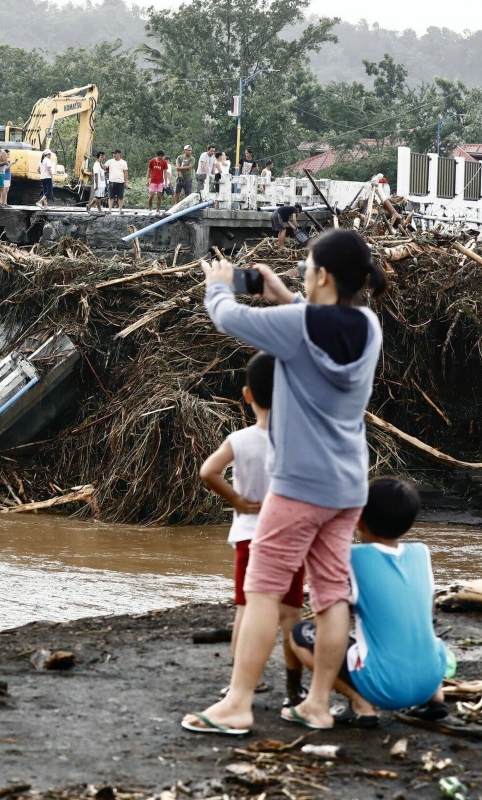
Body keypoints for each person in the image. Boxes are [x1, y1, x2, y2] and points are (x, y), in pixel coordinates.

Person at [183, 229, 387, 736]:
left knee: (262, 592)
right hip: (347, 487)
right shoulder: (369, 324)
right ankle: (318, 704)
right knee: (331, 593)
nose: (301, 274)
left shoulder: (297, 326)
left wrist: (218, 283)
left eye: (305, 268)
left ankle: (237, 704)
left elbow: (228, 317)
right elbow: (322, 325)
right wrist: (286, 293)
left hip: (297, 487)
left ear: (321, 275)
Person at [288, 478, 450, 728]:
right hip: (431, 676)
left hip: (385, 687)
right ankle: (436, 697)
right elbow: (425, 608)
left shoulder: (352, 557)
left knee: (300, 634)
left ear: (358, 521)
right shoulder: (421, 553)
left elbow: (336, 608)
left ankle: (362, 705)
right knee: (420, 634)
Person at [195, 352, 306, 716]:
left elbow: (208, 471)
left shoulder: (239, 439)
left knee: (246, 608)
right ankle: (294, 690)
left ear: (247, 395)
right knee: (291, 613)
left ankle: (242, 682)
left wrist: (238, 501)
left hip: (249, 536)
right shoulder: (297, 439)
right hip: (290, 535)